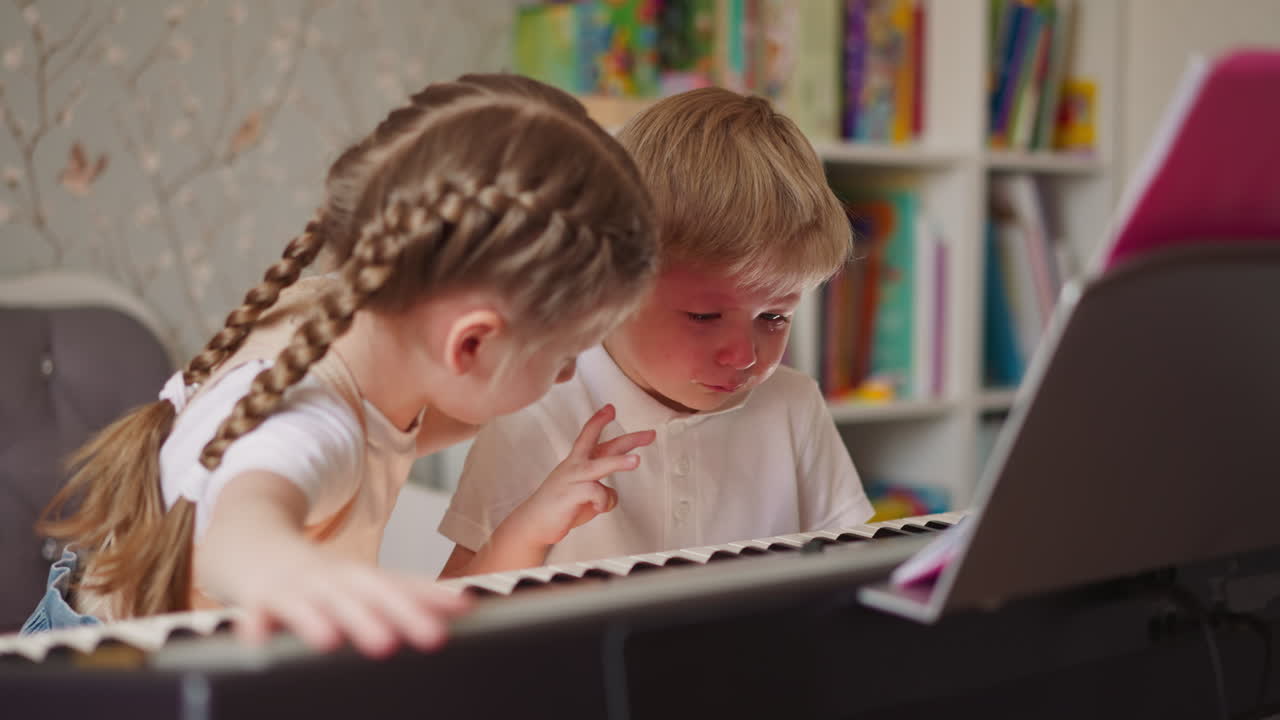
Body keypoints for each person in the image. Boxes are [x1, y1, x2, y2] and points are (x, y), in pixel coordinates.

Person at [26, 74, 658, 658]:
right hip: (111, 673)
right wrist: (296, 574)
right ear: (469, 345)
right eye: (566, 355)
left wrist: (530, 518)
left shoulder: (351, 319)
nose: (570, 375)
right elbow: (239, 532)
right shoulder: (312, 419)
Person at [439, 87, 873, 577]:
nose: (744, 355)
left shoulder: (793, 404)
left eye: (773, 318)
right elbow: (456, 605)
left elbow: (850, 570)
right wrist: (527, 531)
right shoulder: (535, 406)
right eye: (704, 317)